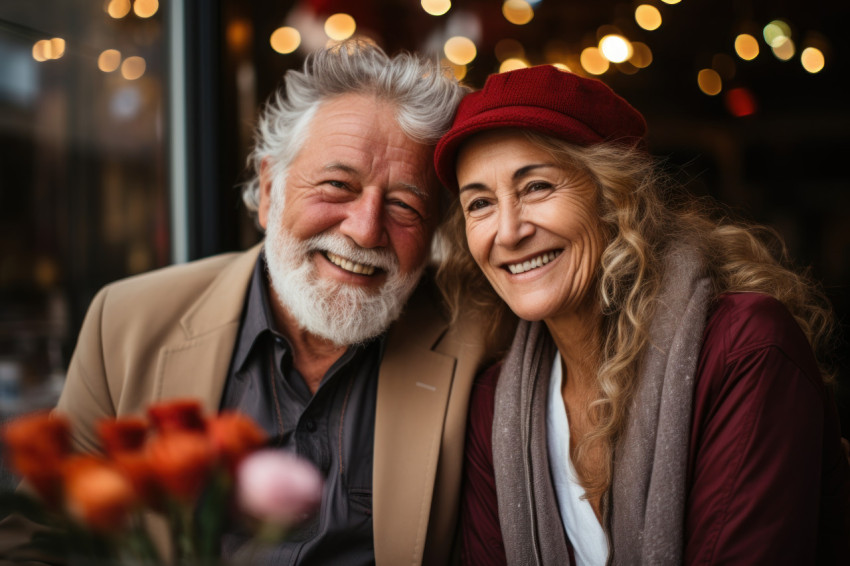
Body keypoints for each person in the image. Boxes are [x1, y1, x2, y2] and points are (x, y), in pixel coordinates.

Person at [0, 40, 485, 565]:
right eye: (337, 185)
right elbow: (37, 541)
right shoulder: (127, 322)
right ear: (270, 187)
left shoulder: (480, 338)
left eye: (404, 205)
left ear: (436, 227)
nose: (366, 231)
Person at [432, 65, 850, 565]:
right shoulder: (494, 406)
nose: (508, 231)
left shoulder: (746, 349)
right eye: (479, 202)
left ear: (615, 196)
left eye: (537, 187)